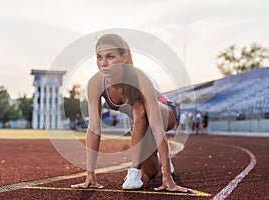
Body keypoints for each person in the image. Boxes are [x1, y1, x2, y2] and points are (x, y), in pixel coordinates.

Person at [71, 33, 192, 192]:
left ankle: (134, 174)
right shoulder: (96, 83)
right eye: (99, 57)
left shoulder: (139, 79)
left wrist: (167, 177)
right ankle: (161, 159)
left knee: (140, 109)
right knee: (151, 172)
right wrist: (90, 174)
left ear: (124, 57)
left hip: (164, 112)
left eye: (110, 56)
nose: (104, 63)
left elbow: (156, 126)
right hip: (138, 122)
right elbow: (94, 129)